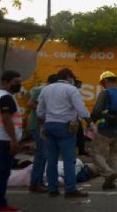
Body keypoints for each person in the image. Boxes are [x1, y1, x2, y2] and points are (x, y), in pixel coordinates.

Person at [36, 68, 90, 198]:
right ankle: (70, 189)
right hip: (65, 127)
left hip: (49, 125)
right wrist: (90, 122)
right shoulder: (71, 89)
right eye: (72, 77)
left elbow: (39, 112)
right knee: (69, 160)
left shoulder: (46, 89)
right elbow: (81, 110)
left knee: (52, 159)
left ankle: (52, 188)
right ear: (67, 77)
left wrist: (43, 125)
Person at [89, 71, 117, 190]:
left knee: (95, 152)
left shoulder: (105, 93)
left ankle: (108, 173)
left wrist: (90, 123)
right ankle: (110, 182)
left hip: (105, 130)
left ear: (105, 81)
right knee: (114, 155)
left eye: (103, 82)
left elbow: (97, 111)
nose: (102, 85)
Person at [0, 70, 25, 212]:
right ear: (6, 83)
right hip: (4, 140)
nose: (18, 85)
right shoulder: (6, 98)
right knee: (1, 173)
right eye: (15, 83)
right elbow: (6, 119)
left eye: (20, 82)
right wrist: (13, 140)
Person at [26, 73, 57, 193]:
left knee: (44, 154)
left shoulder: (48, 90)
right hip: (37, 126)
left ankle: (38, 181)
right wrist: (42, 111)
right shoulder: (41, 89)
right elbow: (30, 103)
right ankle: (35, 183)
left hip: (43, 126)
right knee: (41, 154)